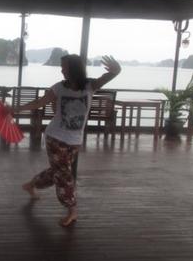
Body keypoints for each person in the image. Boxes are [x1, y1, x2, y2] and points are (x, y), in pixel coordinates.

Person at [11, 54, 121, 227]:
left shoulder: (90, 86)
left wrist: (116, 69)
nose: (61, 70)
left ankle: (31, 184)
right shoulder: (58, 88)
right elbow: (39, 103)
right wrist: (16, 109)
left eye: (65, 67)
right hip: (55, 137)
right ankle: (72, 210)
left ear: (74, 68)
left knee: (58, 171)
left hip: (75, 140)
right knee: (64, 176)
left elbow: (111, 74)